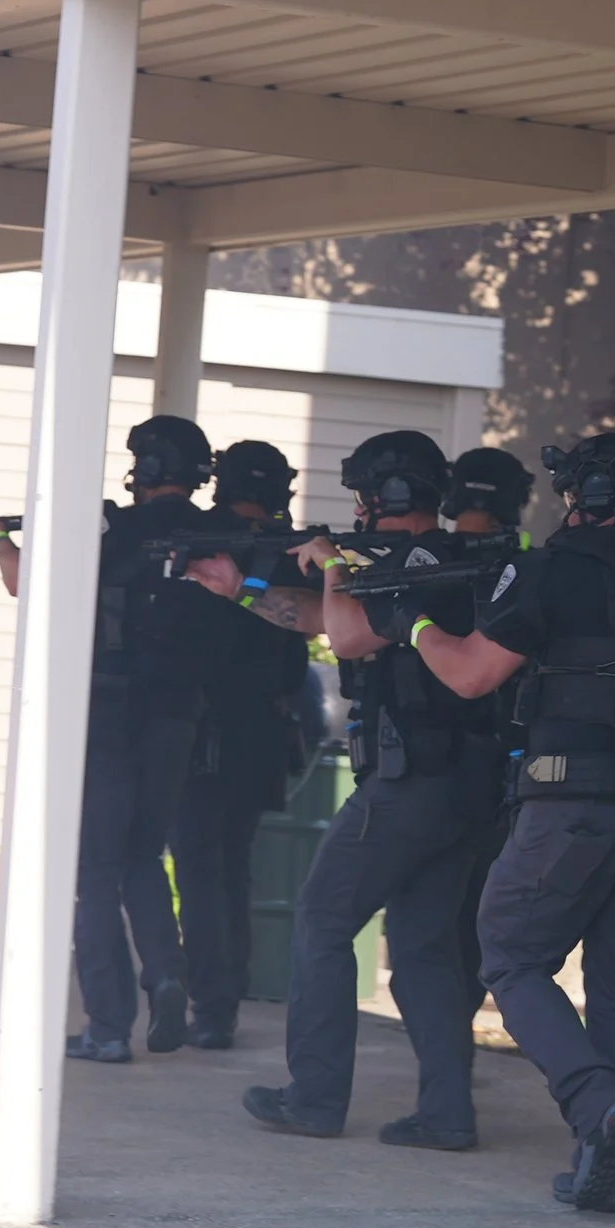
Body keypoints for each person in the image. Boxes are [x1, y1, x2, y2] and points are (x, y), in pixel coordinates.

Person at [411, 432, 615, 1212]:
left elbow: (472, 675)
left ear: (592, 497)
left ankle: (595, 1106)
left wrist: (414, 623)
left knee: (511, 957)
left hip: (572, 807)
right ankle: (604, 1164)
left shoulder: (555, 568)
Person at [243, 431, 506, 1147]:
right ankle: (447, 1114)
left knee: (322, 923)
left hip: (409, 782)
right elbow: (329, 624)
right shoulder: (462, 560)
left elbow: (352, 640)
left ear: (378, 495)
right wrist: (238, 586)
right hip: (463, 789)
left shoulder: (406, 565)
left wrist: (331, 565)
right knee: (422, 948)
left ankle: (316, 1098)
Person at [0, 415, 253, 1062]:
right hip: (179, 716)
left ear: (143, 470)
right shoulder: (216, 535)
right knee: (144, 857)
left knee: (95, 868)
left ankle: (109, 1026)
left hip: (106, 715)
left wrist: (0, 543)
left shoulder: (109, 530)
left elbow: (27, 586)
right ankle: (167, 975)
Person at [173, 439, 315, 1050]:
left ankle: (211, 1003)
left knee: (203, 871)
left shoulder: (195, 541)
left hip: (202, 731)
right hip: (261, 732)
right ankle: (219, 1000)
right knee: (233, 868)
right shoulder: (290, 553)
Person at [438, 446, 537, 1019]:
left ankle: (445, 1057)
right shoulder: (531, 566)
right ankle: (455, 1040)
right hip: (506, 766)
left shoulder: (423, 559)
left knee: (433, 919)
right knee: (477, 912)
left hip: (434, 765)